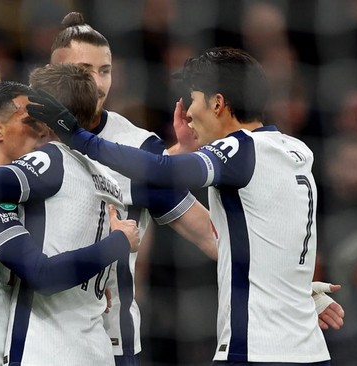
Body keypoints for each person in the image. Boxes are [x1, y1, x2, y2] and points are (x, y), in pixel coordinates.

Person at [0, 65, 198, 365]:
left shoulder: (39, 169)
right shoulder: (108, 182)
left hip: (32, 351)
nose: (38, 132)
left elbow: (42, 271)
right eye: (29, 122)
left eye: (37, 119)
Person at [30, 47, 336, 364]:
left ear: (218, 103)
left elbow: (159, 171)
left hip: (256, 350)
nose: (188, 112)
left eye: (194, 99)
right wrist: (297, 289)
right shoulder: (294, 149)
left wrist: (78, 136)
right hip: (308, 350)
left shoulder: (241, 148)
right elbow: (265, 237)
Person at [48, 14, 217, 364]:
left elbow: (210, 235)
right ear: (54, 70)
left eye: (105, 70)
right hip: (31, 334)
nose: (97, 82)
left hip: (110, 342)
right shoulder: (23, 133)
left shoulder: (139, 147)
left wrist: (290, 282)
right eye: (84, 69)